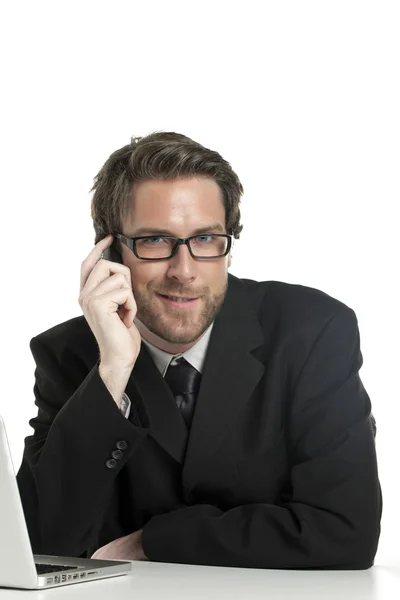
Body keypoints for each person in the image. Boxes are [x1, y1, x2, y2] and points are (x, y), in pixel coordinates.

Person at [16, 131, 382, 570]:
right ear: (110, 251)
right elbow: (39, 545)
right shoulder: (69, 354)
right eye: (155, 240)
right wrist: (112, 370)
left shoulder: (313, 331)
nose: (184, 271)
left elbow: (347, 532)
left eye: (206, 240)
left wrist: (154, 541)